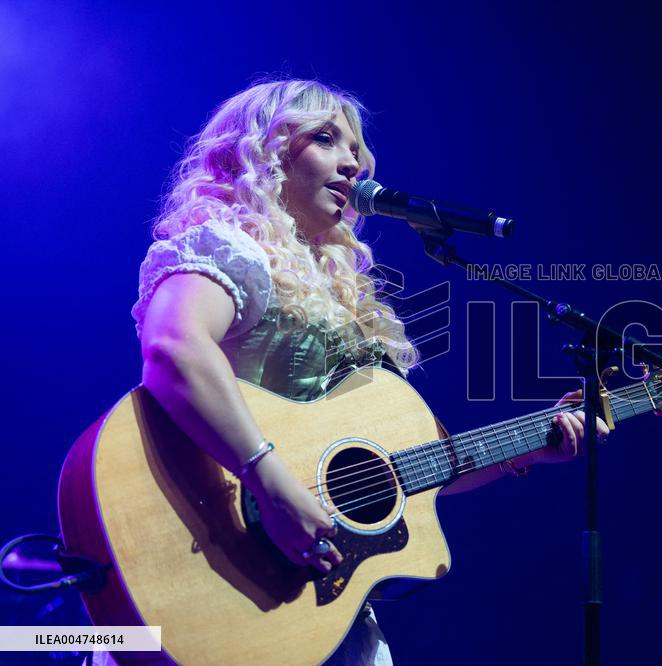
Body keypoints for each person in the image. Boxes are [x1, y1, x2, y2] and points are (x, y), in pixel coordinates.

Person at [125, 78, 608, 665]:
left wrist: (527, 448)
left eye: (356, 148)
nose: (352, 162)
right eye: (325, 139)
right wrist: (273, 484)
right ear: (262, 152)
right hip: (211, 554)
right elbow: (174, 348)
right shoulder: (229, 248)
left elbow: (400, 475)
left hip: (321, 610)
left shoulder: (337, 287)